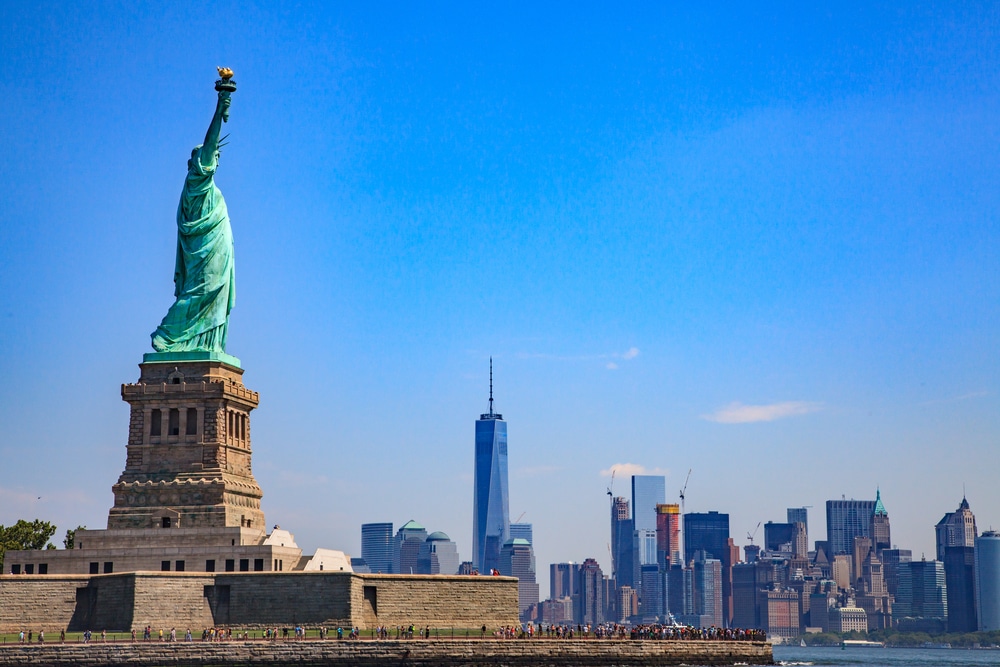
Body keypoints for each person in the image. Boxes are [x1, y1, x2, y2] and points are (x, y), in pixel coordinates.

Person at [151, 83, 236, 353]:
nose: (216, 158)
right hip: (204, 254)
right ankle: (168, 335)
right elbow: (210, 143)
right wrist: (221, 106)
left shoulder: (204, 189)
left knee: (212, 295)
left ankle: (205, 344)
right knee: (201, 292)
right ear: (197, 162)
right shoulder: (197, 183)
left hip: (216, 249)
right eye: (212, 155)